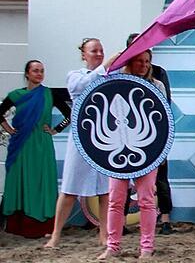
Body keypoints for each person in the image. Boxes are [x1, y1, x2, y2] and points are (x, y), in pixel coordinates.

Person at [45, 38, 121, 249]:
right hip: (80, 138)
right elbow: (80, 88)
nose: (98, 54)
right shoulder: (75, 75)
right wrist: (105, 68)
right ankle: (55, 235)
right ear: (84, 55)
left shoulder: (112, 76)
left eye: (101, 50)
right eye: (93, 50)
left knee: (106, 191)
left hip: (105, 138)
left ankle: (104, 235)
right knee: (69, 188)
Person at [99, 50, 168, 260]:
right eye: (140, 61)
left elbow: (162, 120)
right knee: (116, 199)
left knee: (146, 199)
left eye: (147, 61)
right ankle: (112, 246)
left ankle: (147, 246)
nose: (144, 65)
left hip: (147, 152)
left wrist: (160, 151)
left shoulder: (157, 86)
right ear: (130, 62)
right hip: (117, 151)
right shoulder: (116, 83)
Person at [1, 60, 71, 238]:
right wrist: (9, 130)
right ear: (27, 74)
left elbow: (69, 115)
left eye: (42, 71)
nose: (39, 74)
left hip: (42, 145)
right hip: (21, 146)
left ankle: (43, 225)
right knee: (20, 180)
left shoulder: (49, 94)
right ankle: (17, 225)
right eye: (35, 71)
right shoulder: (16, 95)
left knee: (41, 181)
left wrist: (56, 129)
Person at [126, 33, 175, 236]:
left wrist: (163, 145)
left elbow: (165, 109)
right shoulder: (121, 77)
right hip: (128, 138)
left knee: (160, 178)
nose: (144, 64)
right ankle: (121, 222)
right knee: (125, 180)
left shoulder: (158, 77)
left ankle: (165, 220)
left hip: (152, 136)